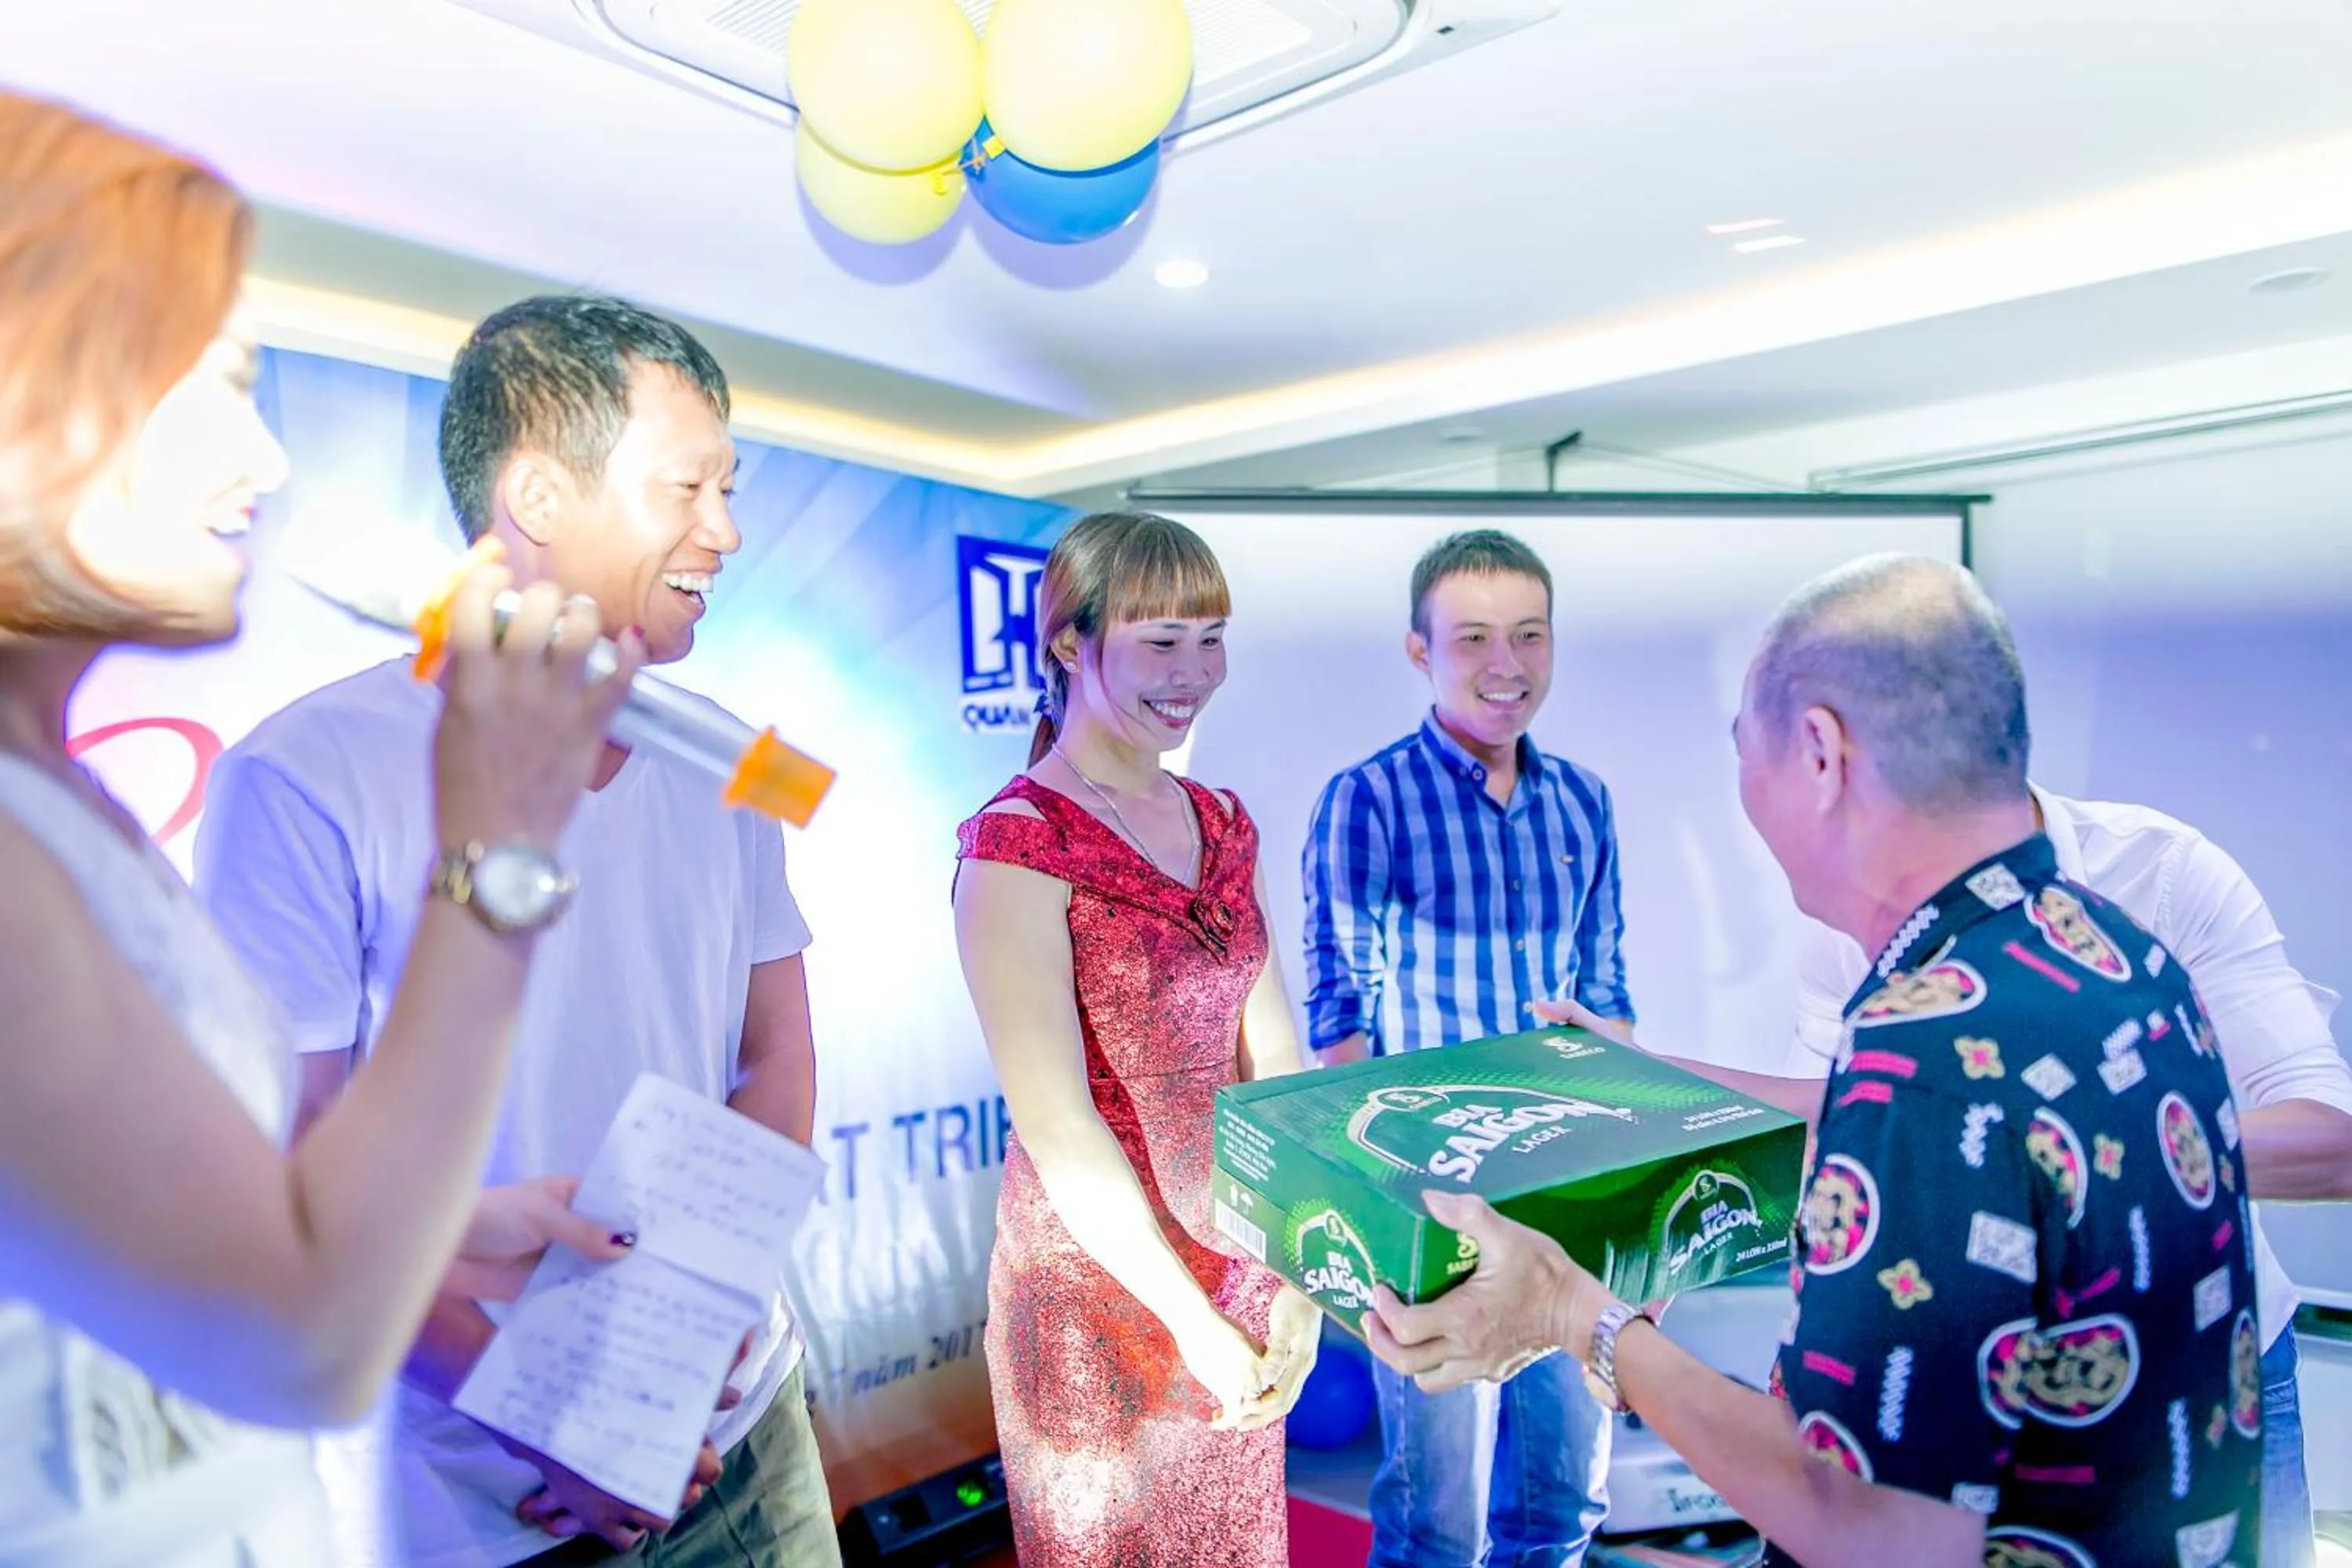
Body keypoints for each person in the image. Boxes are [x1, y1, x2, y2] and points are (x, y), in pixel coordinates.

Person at [0, 93, 640, 1565]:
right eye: (204, 380)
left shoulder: (58, 797)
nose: (265, 460)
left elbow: (185, 1232)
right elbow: (301, 1342)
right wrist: (497, 849)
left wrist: (453, 1215)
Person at [1373, 556, 2262, 1566]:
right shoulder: (2114, 956)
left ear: (1820, 754)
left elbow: (1871, 1528)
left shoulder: (1926, 1052)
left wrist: (1581, 1316)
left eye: (1743, 749)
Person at [198, 296, 837, 1566]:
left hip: (748, 1431)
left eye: (732, 486)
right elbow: (295, 1171)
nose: (728, 531)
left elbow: (776, 1051)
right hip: (497, 1505)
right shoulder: (302, 778)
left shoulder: (729, 757)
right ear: (540, 497)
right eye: (690, 487)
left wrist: (696, 1325)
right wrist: (556, 1423)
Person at [952, 510, 1320, 1566]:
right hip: (1089, 1307)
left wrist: (1302, 1282)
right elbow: (1061, 1126)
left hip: (1242, 1260)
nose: (1195, 672)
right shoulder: (1019, 842)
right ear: (1072, 641)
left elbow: (1280, 1072)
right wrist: (1191, 1324)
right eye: (1162, 642)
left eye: (1211, 639)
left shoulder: (1223, 823)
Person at [1302, 528, 1628, 1566]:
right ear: (1420, 652)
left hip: (1568, 1188)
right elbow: (1339, 1018)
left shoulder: (1584, 800)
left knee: (1565, 1500)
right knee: (1434, 1518)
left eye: (1530, 635)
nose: (1508, 664)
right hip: (1429, 1205)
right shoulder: (1369, 799)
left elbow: (1608, 990)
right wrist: (1371, 1217)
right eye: (1476, 637)